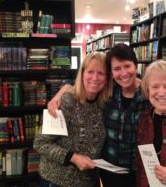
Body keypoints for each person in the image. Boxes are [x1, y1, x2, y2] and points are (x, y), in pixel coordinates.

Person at [47, 43, 166, 187]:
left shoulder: (149, 93)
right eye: (117, 69)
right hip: (109, 169)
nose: (123, 73)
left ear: (135, 65)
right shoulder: (107, 92)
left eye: (127, 66)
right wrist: (62, 91)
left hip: (140, 171)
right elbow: (84, 85)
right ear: (111, 74)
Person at [33, 52, 112, 187]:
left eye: (101, 73)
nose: (95, 77)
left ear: (107, 79)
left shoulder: (104, 104)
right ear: (82, 74)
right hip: (57, 180)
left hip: (88, 181)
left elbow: (126, 78)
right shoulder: (66, 101)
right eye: (90, 72)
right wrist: (73, 158)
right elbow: (40, 143)